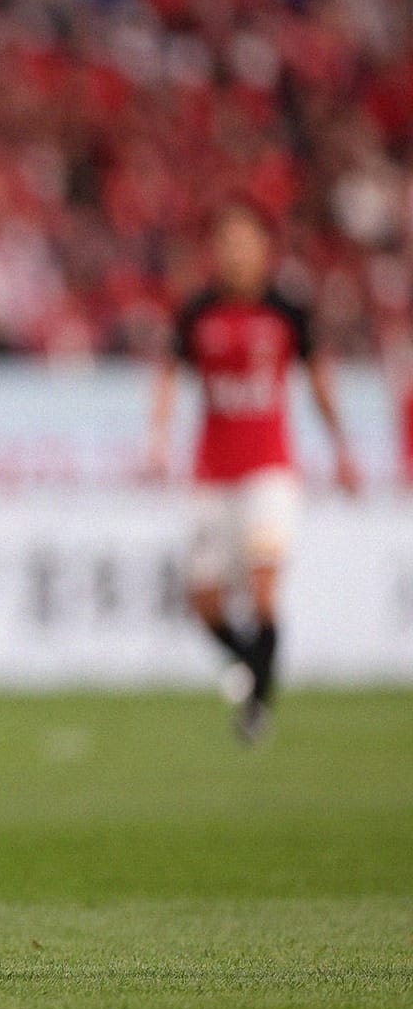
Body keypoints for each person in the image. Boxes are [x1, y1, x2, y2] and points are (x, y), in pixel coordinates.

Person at [145, 198, 361, 744]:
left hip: (269, 468)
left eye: (245, 242)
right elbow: (169, 375)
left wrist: (342, 448)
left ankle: (256, 710)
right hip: (211, 472)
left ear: (264, 249)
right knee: (205, 601)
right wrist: (157, 439)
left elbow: (317, 381)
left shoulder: (288, 311)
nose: (235, 253)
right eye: (226, 243)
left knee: (263, 590)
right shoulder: (198, 312)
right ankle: (252, 669)